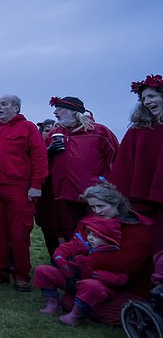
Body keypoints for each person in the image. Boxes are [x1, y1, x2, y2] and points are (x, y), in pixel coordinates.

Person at [50, 182, 153, 325]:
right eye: (93, 207)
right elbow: (77, 244)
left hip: (127, 282)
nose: (97, 211)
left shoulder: (137, 228)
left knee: (106, 311)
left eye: (101, 206)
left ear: (116, 204)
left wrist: (89, 261)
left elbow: (128, 261)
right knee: (69, 302)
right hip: (94, 277)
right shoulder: (93, 221)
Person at [0, 95, 48, 292]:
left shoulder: (28, 128)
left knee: (19, 232)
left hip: (18, 187)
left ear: (16, 108)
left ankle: (21, 275)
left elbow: (40, 157)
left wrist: (36, 185)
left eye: (4, 104)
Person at [45, 96, 119, 239]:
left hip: (95, 196)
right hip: (65, 195)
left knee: (98, 232)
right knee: (74, 234)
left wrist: (110, 186)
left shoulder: (100, 132)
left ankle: (100, 259)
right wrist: (48, 152)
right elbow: (41, 162)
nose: (55, 113)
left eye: (60, 109)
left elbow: (116, 160)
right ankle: (77, 259)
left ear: (74, 111)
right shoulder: (54, 135)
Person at [33, 215, 127, 326]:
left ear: (109, 238)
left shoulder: (116, 256)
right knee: (42, 270)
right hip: (75, 280)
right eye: (90, 233)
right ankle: (52, 303)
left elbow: (120, 279)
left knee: (90, 285)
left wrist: (94, 274)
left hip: (97, 288)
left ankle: (76, 315)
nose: (90, 238)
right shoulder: (85, 246)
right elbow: (65, 249)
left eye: (96, 236)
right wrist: (61, 260)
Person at [111, 74, 163, 254]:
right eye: (143, 99)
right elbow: (124, 163)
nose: (147, 102)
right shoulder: (139, 129)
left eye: (151, 96)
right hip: (147, 201)